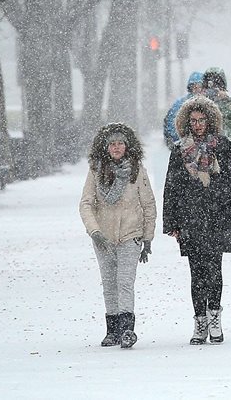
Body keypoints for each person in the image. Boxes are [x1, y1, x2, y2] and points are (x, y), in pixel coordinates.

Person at [163, 97, 231, 345]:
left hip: (218, 215)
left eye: (202, 120)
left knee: (215, 269)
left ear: (210, 120)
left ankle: (215, 318)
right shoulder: (179, 150)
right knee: (196, 272)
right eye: (193, 121)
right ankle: (199, 321)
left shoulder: (224, 146)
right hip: (190, 217)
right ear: (186, 123)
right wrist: (172, 222)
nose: (198, 125)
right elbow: (172, 187)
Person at [79, 122, 157, 349]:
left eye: (120, 143)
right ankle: (111, 329)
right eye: (112, 144)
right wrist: (94, 231)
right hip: (103, 237)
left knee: (125, 282)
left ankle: (126, 329)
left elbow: (149, 204)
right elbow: (86, 203)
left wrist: (147, 238)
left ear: (127, 145)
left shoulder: (136, 170)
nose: (116, 148)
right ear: (105, 147)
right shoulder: (96, 171)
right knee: (109, 283)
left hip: (130, 235)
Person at [203, 67, 231, 138]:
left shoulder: (228, 102)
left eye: (217, 86)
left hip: (227, 142)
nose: (214, 90)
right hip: (207, 142)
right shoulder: (201, 102)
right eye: (210, 87)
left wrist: (227, 100)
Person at [164, 71, 205, 146]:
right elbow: (171, 123)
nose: (197, 89)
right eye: (194, 86)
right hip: (185, 145)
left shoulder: (208, 103)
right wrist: (180, 140)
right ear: (191, 88)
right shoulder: (180, 104)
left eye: (200, 86)